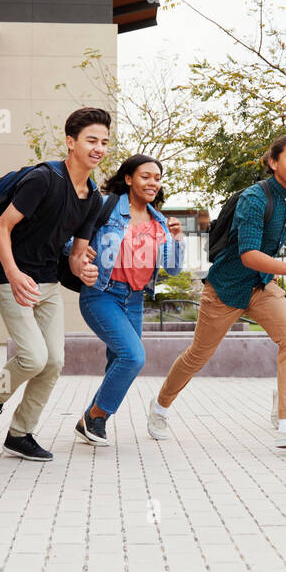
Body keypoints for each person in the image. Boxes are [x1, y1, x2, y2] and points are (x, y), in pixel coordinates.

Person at [147, 134, 286, 449]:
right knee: (197, 356)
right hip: (225, 288)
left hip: (261, 286)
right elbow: (248, 255)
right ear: (273, 162)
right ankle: (160, 407)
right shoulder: (255, 199)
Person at [0, 108, 106, 461]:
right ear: (71, 142)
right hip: (10, 277)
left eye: (104, 142)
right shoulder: (44, 180)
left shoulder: (93, 198)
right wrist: (13, 274)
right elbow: (2, 227)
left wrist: (84, 270)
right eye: (91, 140)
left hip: (47, 281)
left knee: (54, 361)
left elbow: (77, 256)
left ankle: (20, 433)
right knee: (32, 357)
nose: (99, 148)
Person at [74, 154, 185, 446]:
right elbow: (70, 240)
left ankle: (90, 420)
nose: (153, 183)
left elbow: (172, 269)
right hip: (102, 293)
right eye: (145, 176)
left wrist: (177, 240)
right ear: (128, 178)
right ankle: (96, 416)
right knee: (133, 357)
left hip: (135, 300)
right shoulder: (105, 207)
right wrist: (79, 254)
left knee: (118, 361)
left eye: (157, 178)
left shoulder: (159, 220)